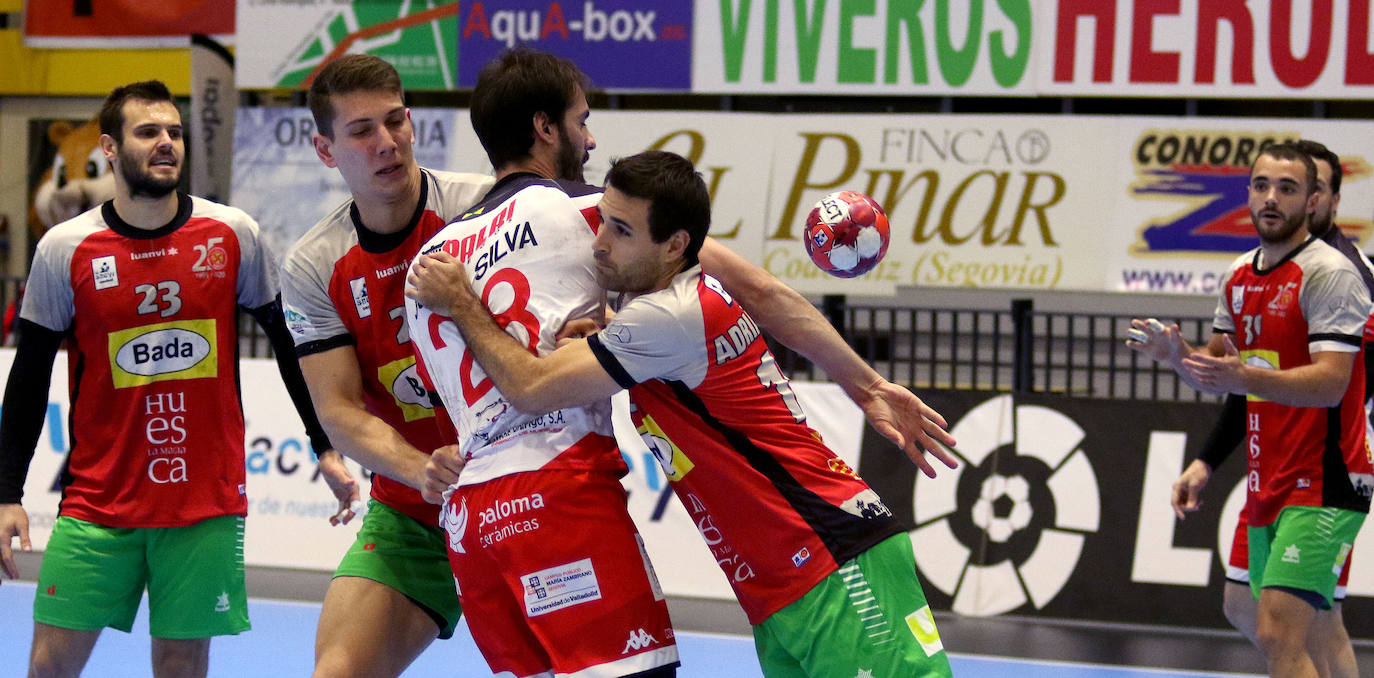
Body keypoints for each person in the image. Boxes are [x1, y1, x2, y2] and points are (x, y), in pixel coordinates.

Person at [408, 149, 958, 678]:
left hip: (831, 558)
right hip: (779, 584)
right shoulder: (661, 312)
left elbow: (530, 387)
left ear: (675, 245)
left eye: (621, 231)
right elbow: (759, 298)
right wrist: (867, 387)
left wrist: (461, 301)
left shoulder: (671, 316)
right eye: (601, 222)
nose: (597, 244)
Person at [0, 80, 336, 678]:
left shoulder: (232, 233)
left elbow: (289, 344)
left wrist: (324, 443)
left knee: (181, 668)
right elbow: (26, 380)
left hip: (204, 503)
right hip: (96, 504)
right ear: (109, 147)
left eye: (175, 132)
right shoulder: (65, 248)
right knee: (48, 667)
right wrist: (5, 492)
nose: (166, 143)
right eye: (148, 132)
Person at [402, 47, 680, 678]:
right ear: (545, 128)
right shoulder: (590, 214)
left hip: (471, 522)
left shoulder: (429, 265)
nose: (590, 135)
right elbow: (712, 287)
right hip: (557, 494)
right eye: (581, 119)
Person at [277, 54, 492, 678]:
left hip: (526, 492)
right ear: (325, 149)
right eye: (362, 130)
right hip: (413, 515)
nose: (387, 142)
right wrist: (421, 469)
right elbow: (338, 409)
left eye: (396, 121)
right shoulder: (316, 264)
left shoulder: (481, 212)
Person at [1130, 143, 1372, 678]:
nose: (1270, 198)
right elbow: (1216, 371)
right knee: (1268, 617)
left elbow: (1333, 384)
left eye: (1286, 189)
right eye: (1261, 185)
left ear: (1312, 201)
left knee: (1279, 630)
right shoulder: (1240, 274)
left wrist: (1245, 376)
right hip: (1271, 476)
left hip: (1327, 476)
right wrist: (1176, 356)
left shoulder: (1331, 273)